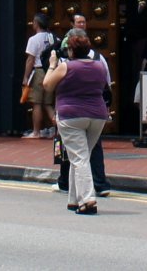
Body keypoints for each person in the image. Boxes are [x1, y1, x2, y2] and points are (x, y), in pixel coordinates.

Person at [43, 26, 109, 216]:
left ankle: (88, 200)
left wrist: (53, 64)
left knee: (79, 158)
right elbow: (104, 86)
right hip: (97, 116)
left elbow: (47, 85)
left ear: (71, 50)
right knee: (80, 156)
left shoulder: (66, 66)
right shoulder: (100, 66)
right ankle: (74, 199)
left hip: (71, 116)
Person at [23, 12, 57, 139]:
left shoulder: (33, 39)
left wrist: (26, 76)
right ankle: (58, 130)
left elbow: (30, 60)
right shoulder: (53, 37)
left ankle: (36, 132)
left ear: (36, 23)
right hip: (51, 71)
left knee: (36, 103)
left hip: (39, 71)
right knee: (48, 104)